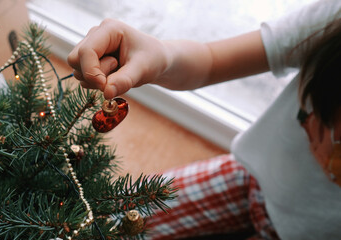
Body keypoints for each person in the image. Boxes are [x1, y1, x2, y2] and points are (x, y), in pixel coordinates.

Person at [67, 0, 341, 239]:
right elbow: (211, 60)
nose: (314, 129)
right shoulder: (333, 18)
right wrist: (162, 56)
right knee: (104, 218)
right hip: (252, 178)